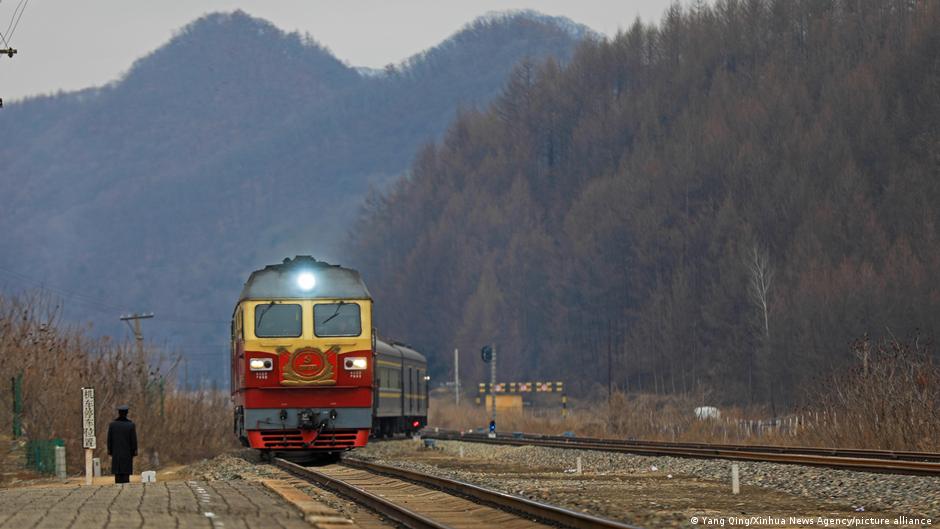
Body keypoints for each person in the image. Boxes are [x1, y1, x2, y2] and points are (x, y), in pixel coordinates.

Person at [107, 404, 137, 484]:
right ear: (127, 413)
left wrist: (110, 451)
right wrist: (134, 451)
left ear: (119, 413)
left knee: (117, 473)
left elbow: (109, 439)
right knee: (126, 475)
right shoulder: (130, 425)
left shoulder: (113, 425)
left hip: (116, 453)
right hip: (127, 454)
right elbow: (133, 440)